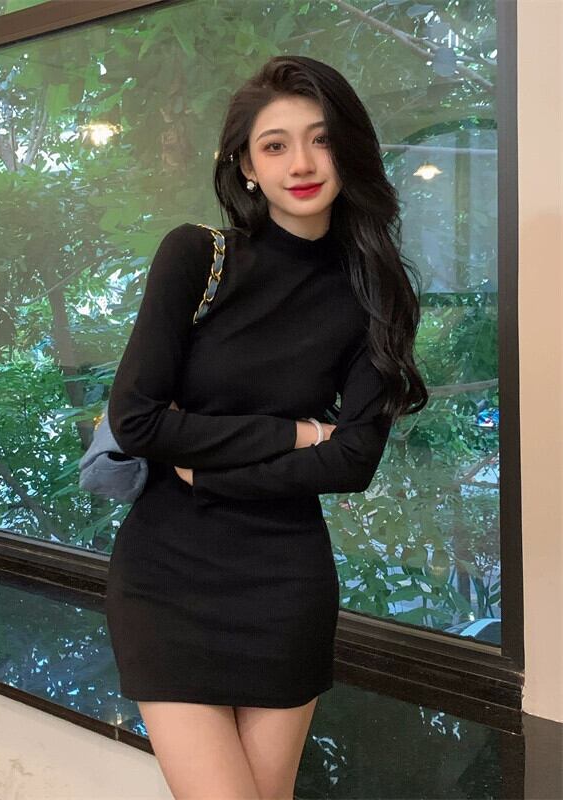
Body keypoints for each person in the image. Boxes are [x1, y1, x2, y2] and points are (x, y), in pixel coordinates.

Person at [104, 55, 428, 799]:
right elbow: (138, 420)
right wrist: (297, 435)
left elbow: (353, 462)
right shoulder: (197, 257)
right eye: (275, 145)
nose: (301, 164)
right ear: (247, 166)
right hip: (166, 576)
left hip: (285, 582)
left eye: (320, 139)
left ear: (348, 148)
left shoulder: (374, 291)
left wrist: (207, 464)